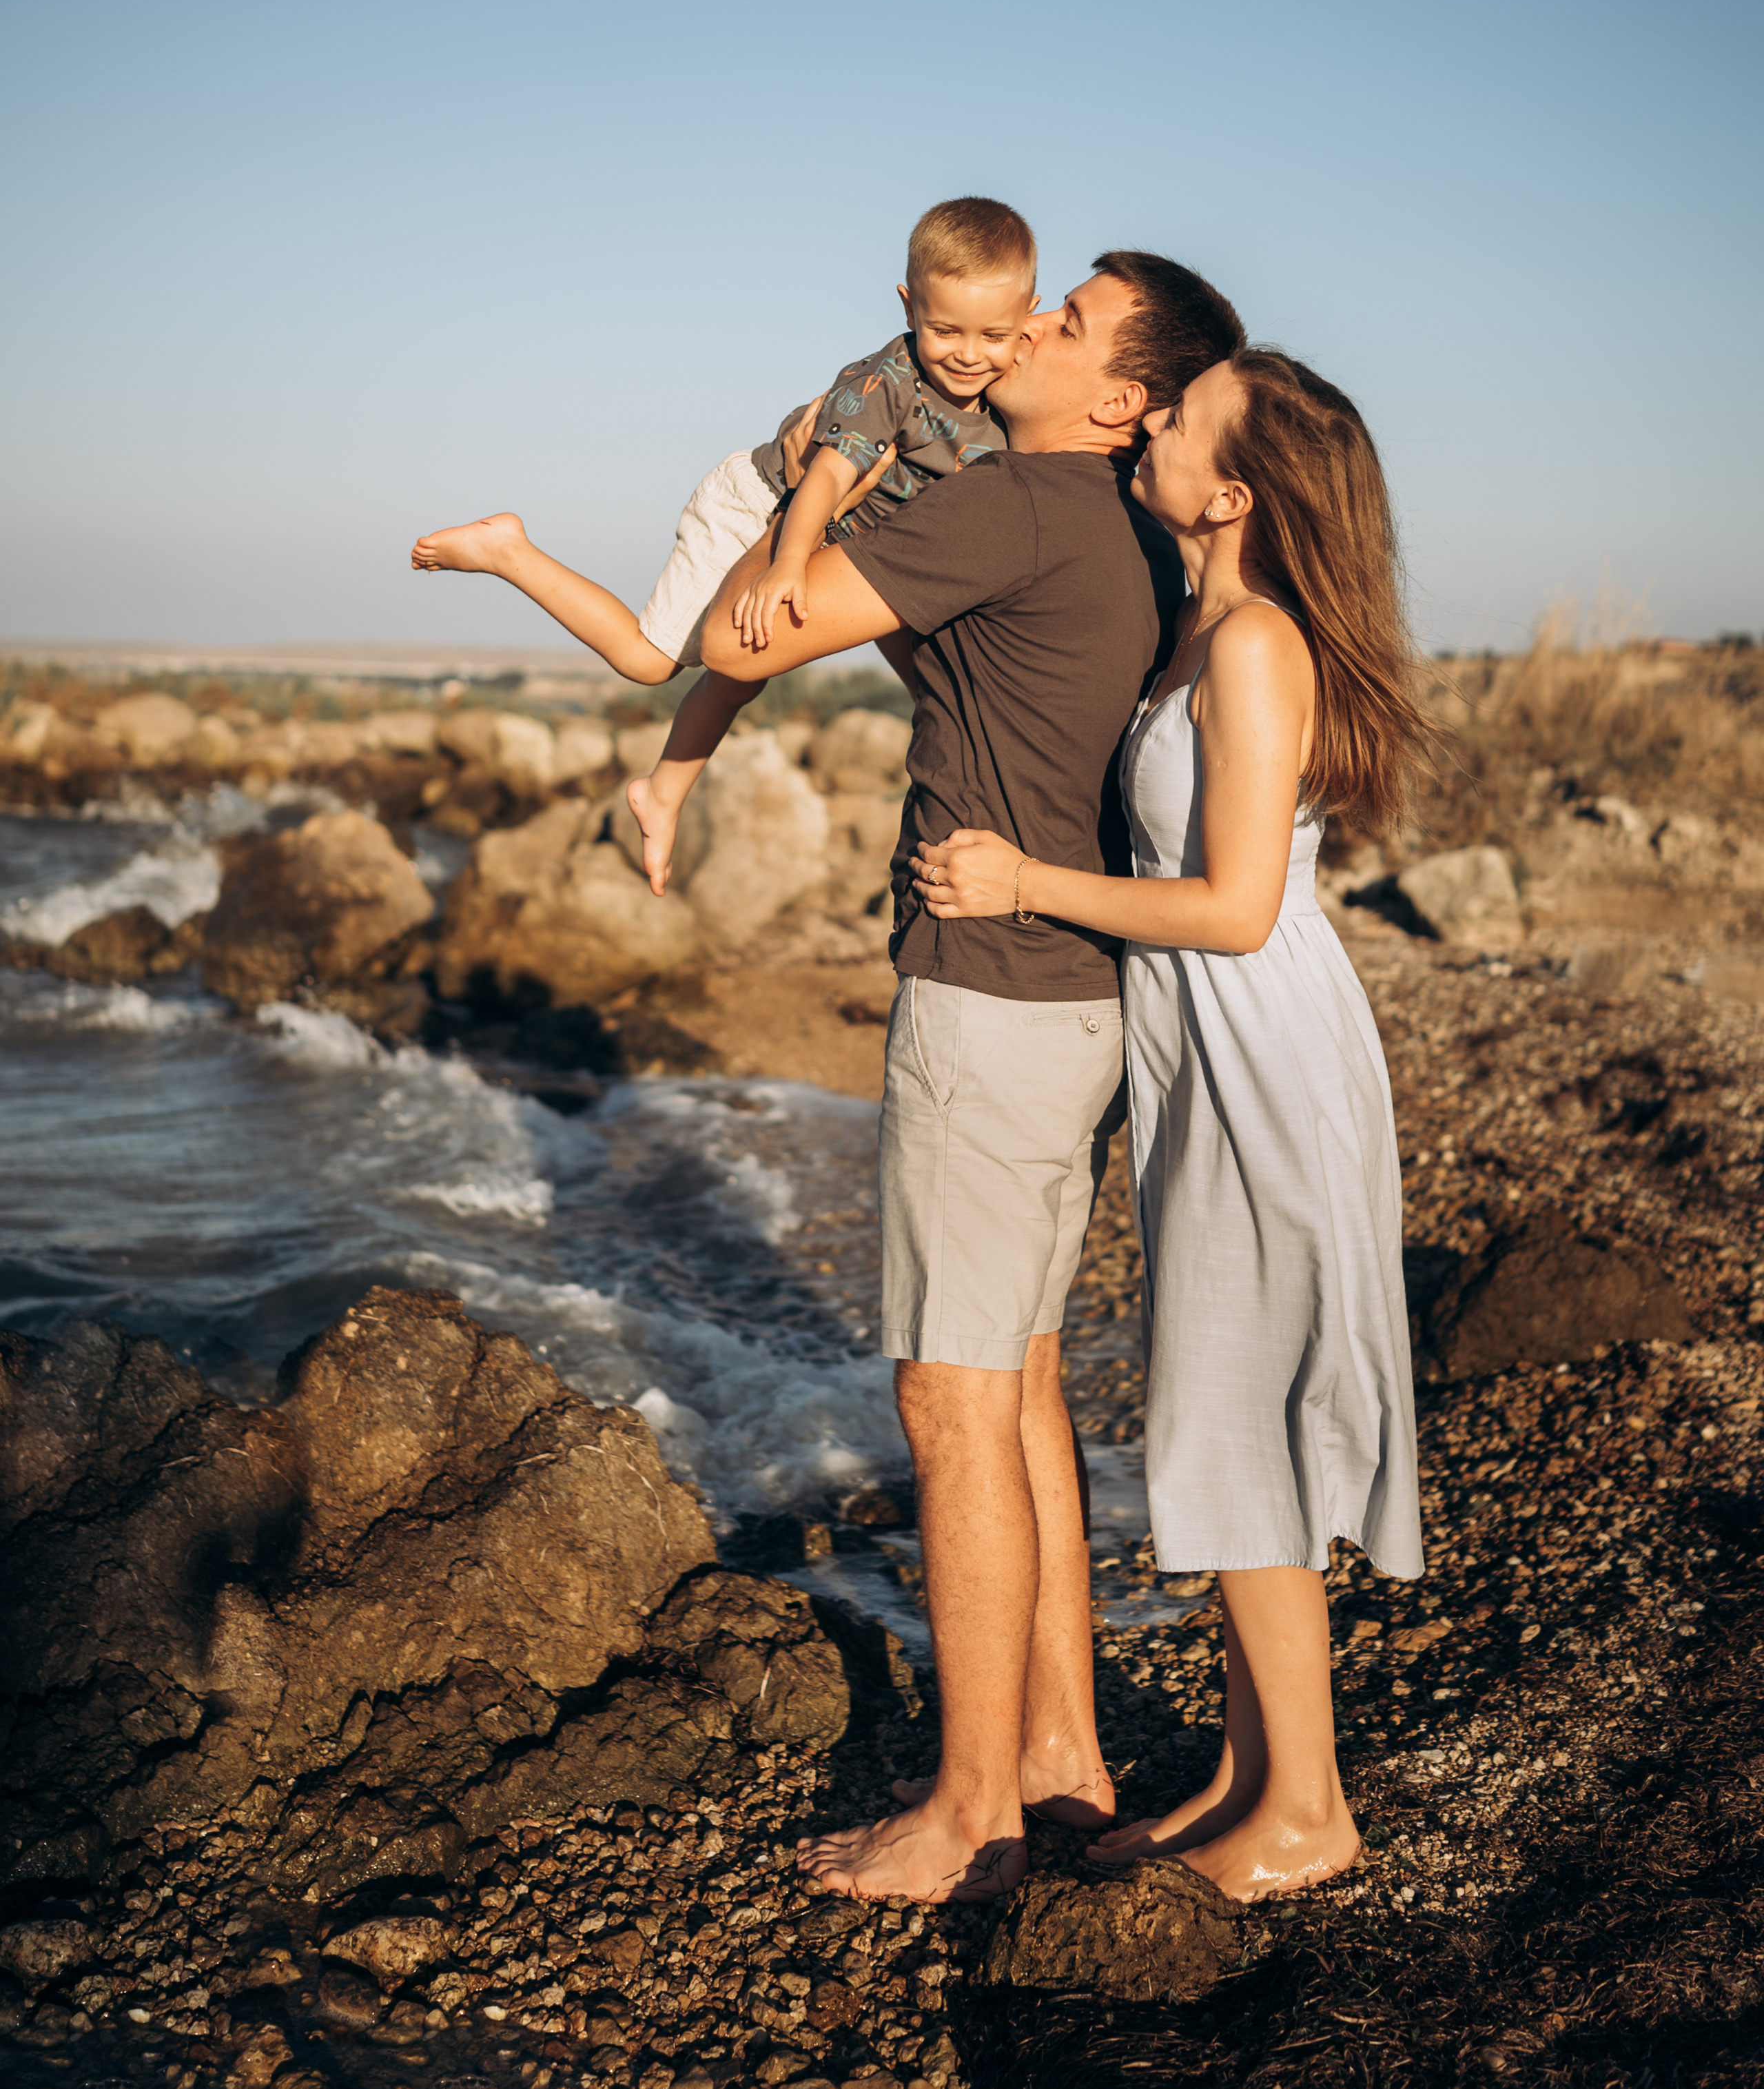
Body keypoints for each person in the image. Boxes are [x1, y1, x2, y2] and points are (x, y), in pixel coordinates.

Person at [695, 254, 1248, 1903]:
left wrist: (796, 471)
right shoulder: (1129, 532)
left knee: (946, 1397)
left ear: (1121, 400)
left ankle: (962, 1819)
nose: (1023, 332)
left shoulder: (1019, 498)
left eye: (1063, 323)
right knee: (1012, 1380)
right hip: (1079, 1005)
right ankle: (1056, 1754)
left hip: (987, 1003)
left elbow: (758, 626)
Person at [909, 347, 1428, 1904]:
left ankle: (1309, 1810)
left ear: (1233, 489)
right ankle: (1248, 1771)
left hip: (1260, 1043)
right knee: (1222, 1384)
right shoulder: (1200, 616)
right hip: (1209, 1045)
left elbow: (1232, 901)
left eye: (1179, 420)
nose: (1147, 426)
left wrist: (1022, 883)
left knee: (1243, 1398)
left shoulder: (1257, 640)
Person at [409, 196, 1038, 889]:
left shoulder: (1009, 392)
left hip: (842, 537)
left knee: (747, 679)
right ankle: (508, 550)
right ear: (907, 305)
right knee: (650, 662)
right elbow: (826, 477)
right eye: (945, 330)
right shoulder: (890, 380)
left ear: (1028, 320)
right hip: (765, 506)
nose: (970, 354)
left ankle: (660, 794)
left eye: (994, 336)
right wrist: (786, 562)